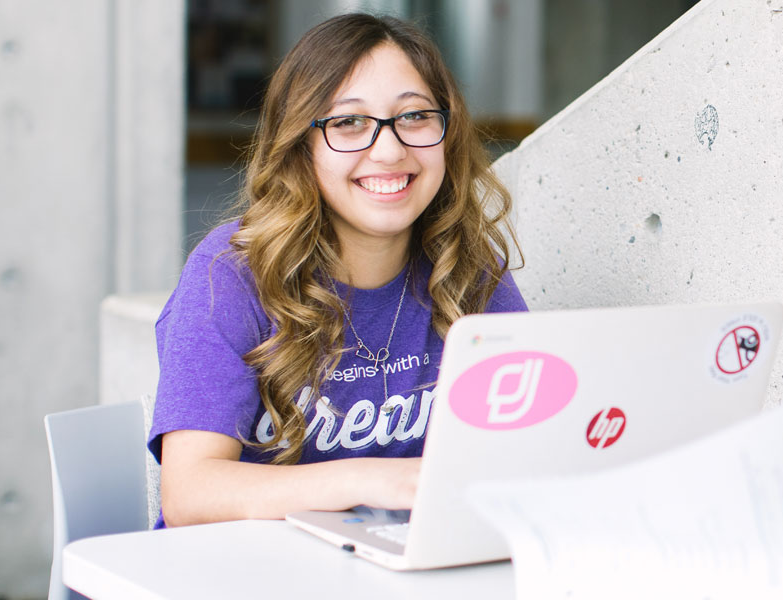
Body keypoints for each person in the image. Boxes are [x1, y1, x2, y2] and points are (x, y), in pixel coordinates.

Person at [150, 14, 527, 527]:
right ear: (300, 145)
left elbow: (526, 445)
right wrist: (370, 480)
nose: (390, 150)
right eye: (348, 122)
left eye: (415, 116)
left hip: (393, 568)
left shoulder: (467, 267)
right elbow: (190, 494)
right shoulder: (232, 272)